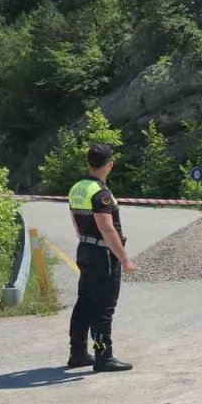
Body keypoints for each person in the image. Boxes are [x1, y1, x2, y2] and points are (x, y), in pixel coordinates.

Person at [66, 143, 136, 372]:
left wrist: (87, 241)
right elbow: (107, 229)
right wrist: (124, 259)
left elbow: (77, 223)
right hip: (102, 254)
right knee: (104, 306)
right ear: (109, 165)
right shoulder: (102, 193)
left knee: (84, 302)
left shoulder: (77, 188)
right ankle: (103, 356)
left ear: (88, 163)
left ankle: (77, 353)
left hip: (85, 249)